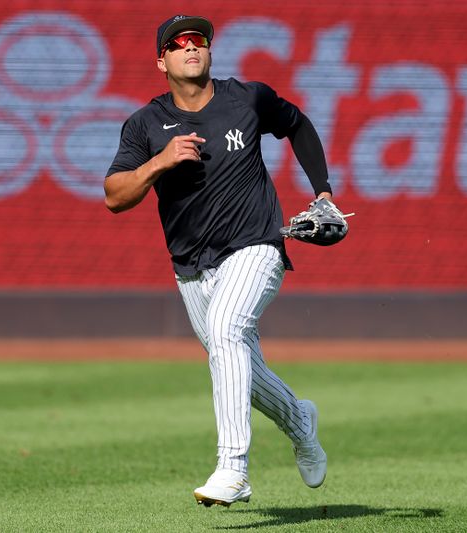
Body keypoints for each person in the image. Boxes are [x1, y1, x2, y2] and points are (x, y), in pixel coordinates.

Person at [104, 15, 332, 507]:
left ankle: (234, 469)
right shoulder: (145, 123)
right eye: (178, 42)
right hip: (191, 267)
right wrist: (158, 162)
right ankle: (299, 421)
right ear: (160, 60)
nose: (191, 46)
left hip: (256, 246)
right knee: (236, 364)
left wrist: (324, 193)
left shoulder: (246, 98)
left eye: (199, 40)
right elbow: (114, 196)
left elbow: (298, 125)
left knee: (227, 334)